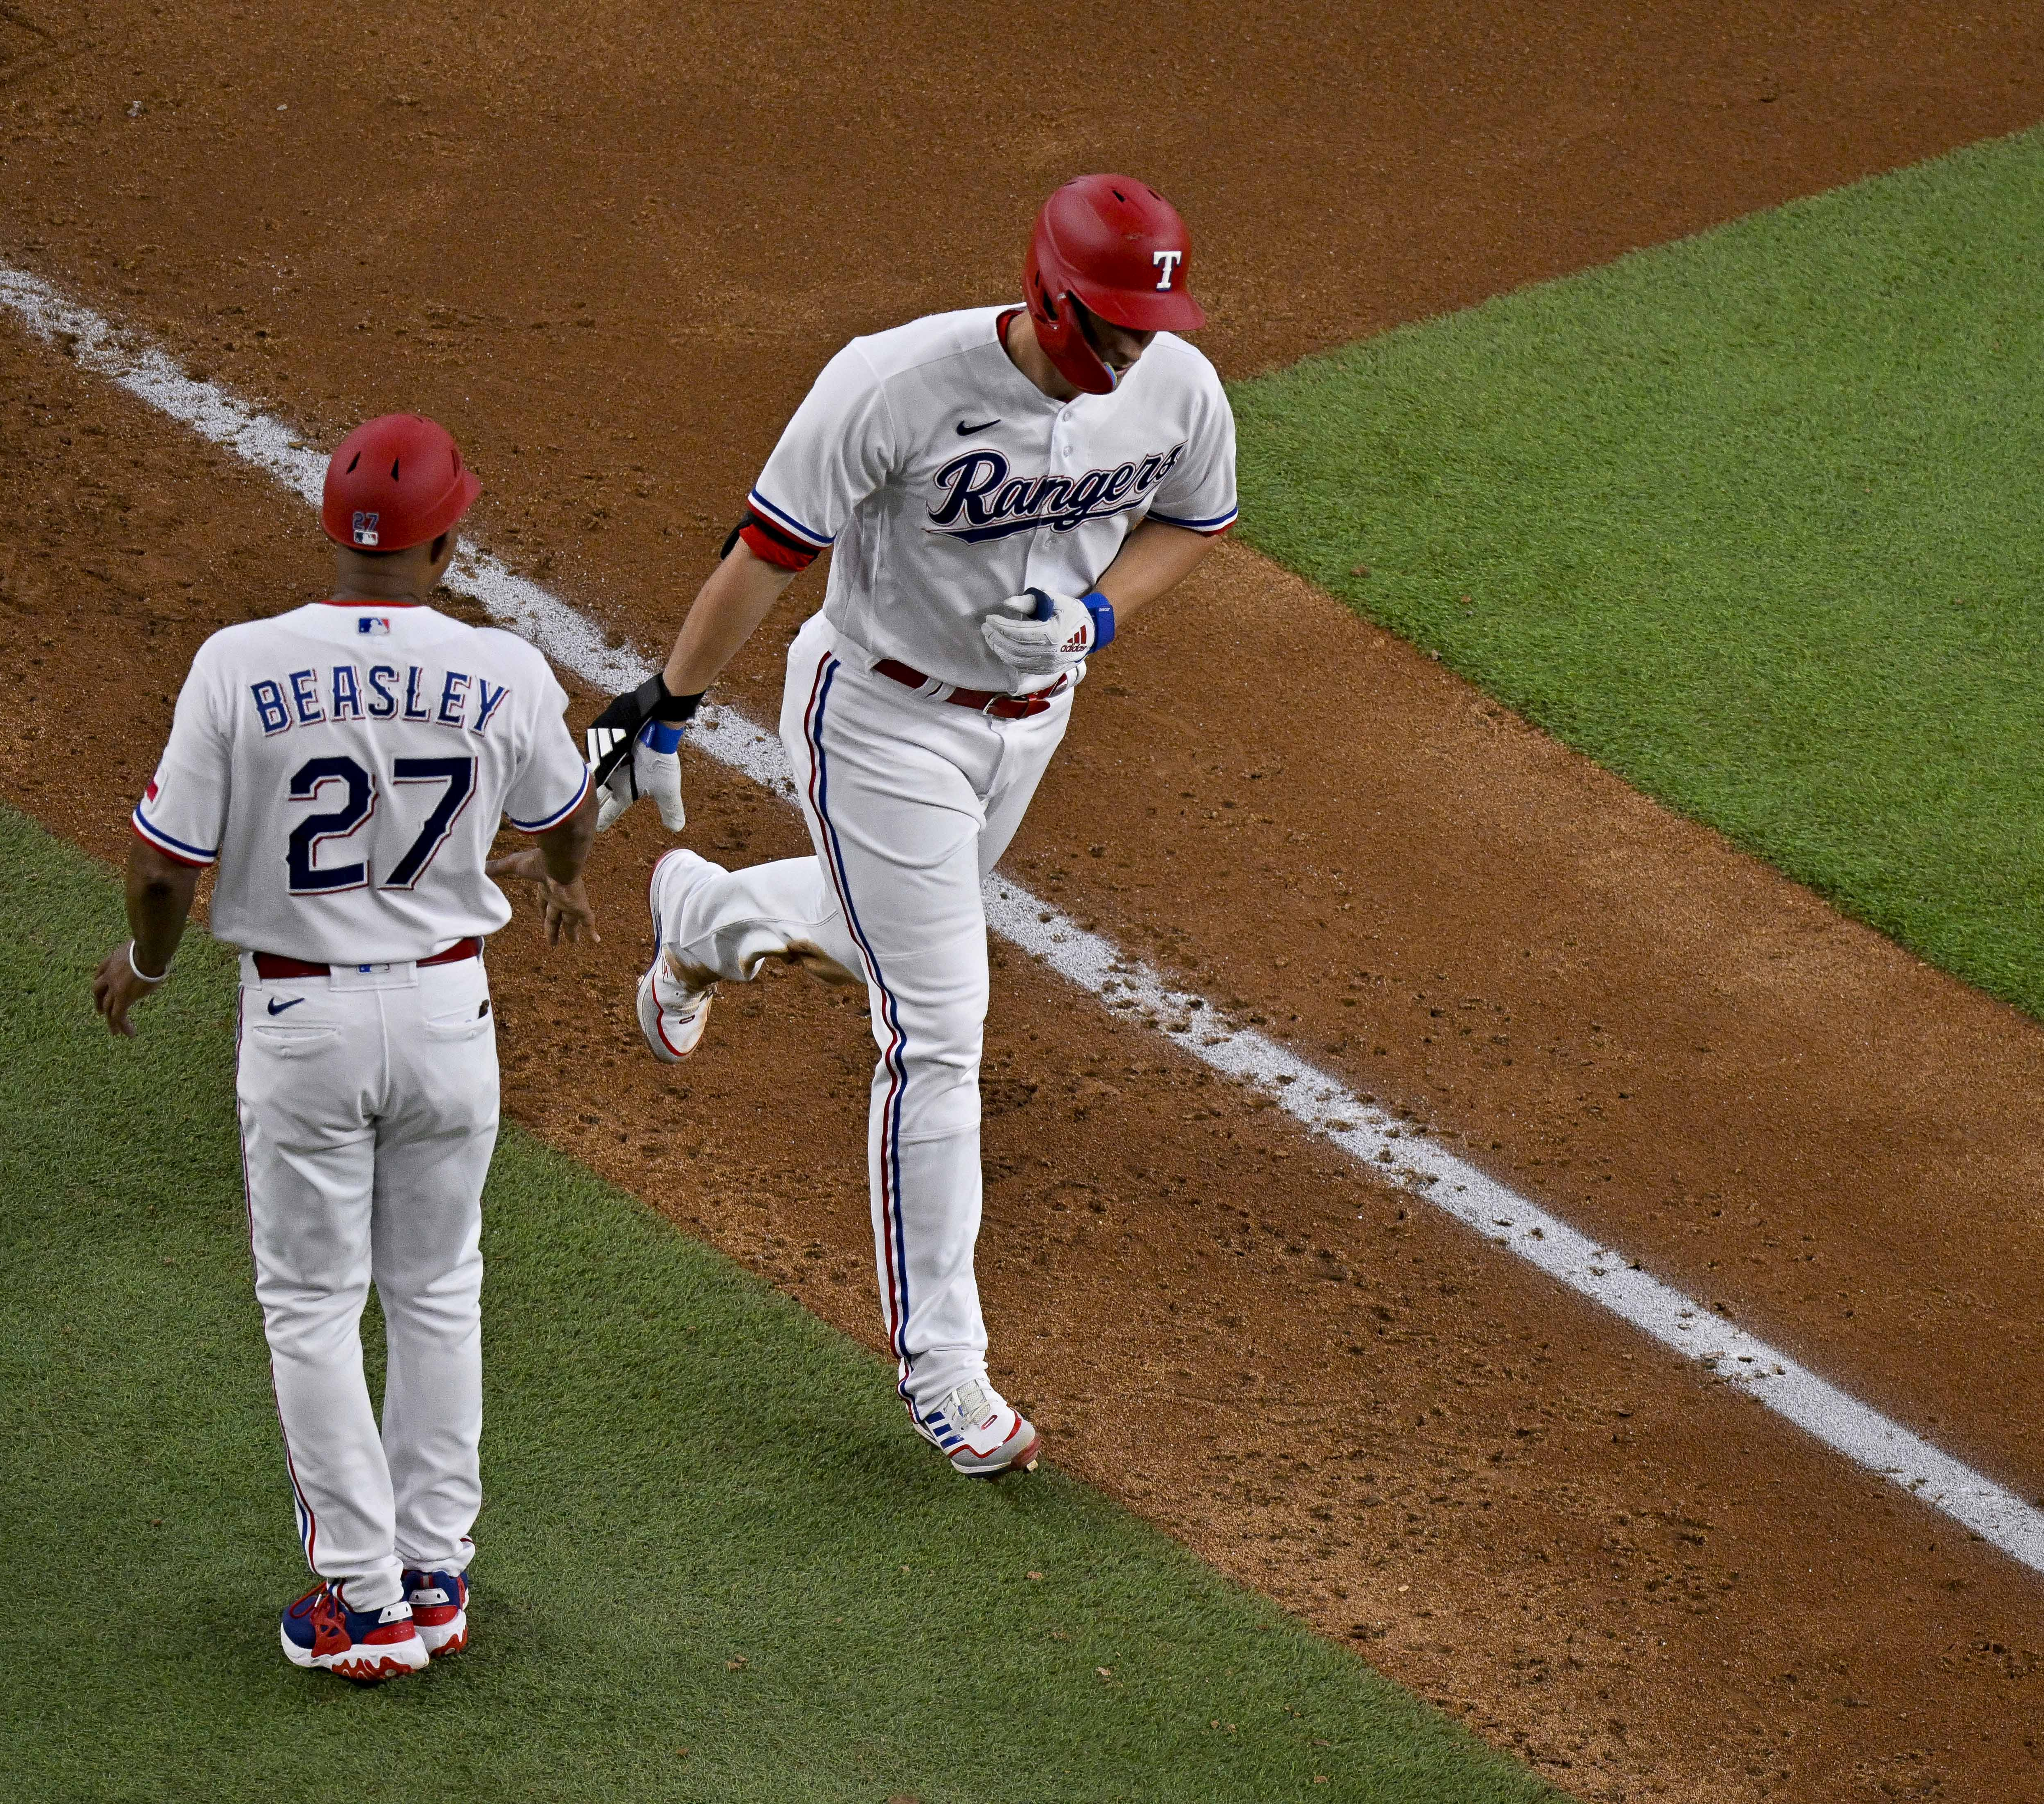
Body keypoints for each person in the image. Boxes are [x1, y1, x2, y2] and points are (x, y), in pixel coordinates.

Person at [581, 174, 1237, 1477]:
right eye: (1104, 326)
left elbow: (1194, 521)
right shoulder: (892, 382)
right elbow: (765, 554)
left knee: (874, 934)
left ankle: (706, 919)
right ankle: (942, 1369)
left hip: (1031, 722)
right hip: (878, 721)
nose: (1126, 352)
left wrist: (1094, 618)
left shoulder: (1176, 385)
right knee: (937, 1027)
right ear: (1045, 294)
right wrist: (669, 706)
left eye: (1143, 328)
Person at [92, 413, 599, 1681]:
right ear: (452, 542)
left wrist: (148, 962)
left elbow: (166, 866)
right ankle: (432, 1571)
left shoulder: (236, 662)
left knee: (313, 1306)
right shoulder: (506, 666)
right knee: (438, 1291)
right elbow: (570, 813)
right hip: (446, 1014)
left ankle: (365, 1603)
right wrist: (563, 878)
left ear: (333, 529)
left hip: (301, 1018)